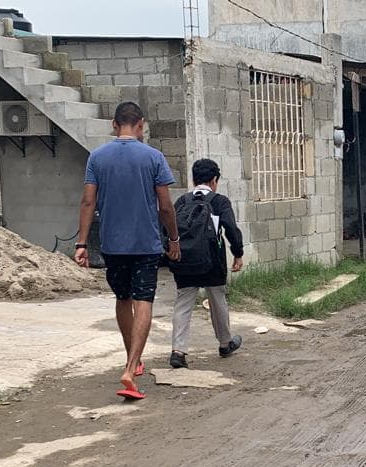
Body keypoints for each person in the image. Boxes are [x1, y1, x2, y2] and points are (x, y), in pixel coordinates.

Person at [75, 101, 179, 400]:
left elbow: (87, 202)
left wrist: (82, 243)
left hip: (112, 244)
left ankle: (131, 359)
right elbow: (166, 206)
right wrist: (173, 238)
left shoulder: (97, 158)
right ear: (141, 123)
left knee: (123, 298)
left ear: (114, 124)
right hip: (145, 242)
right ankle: (131, 368)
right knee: (143, 300)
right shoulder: (154, 157)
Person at [168, 158, 244, 369]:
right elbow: (231, 230)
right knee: (217, 300)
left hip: (185, 260)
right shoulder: (220, 201)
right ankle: (225, 343)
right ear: (214, 180)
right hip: (212, 261)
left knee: (183, 303)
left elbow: (168, 226)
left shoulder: (182, 201)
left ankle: (178, 351)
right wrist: (238, 254)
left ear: (193, 179)